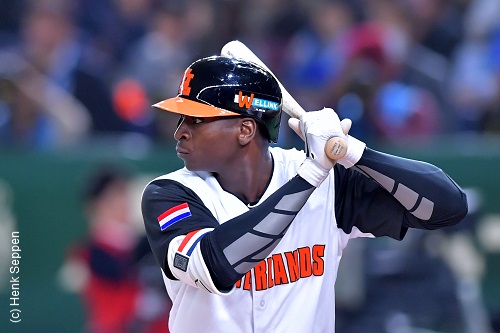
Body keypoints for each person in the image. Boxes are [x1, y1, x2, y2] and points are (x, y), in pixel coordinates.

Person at [141, 55, 468, 332]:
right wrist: (311, 174)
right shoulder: (170, 194)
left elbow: (448, 207)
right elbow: (216, 266)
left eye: (197, 120)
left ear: (245, 130)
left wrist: (354, 153)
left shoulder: (329, 182)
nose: (180, 131)